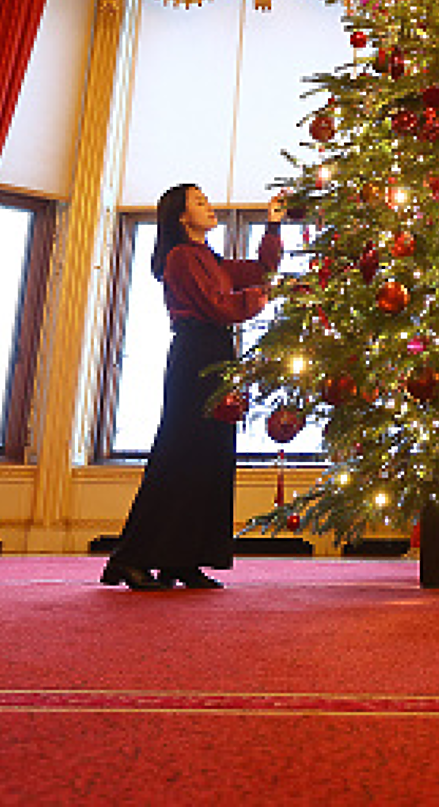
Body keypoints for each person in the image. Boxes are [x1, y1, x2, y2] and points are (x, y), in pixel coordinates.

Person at [101, 184, 284, 591]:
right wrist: (261, 297)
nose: (209, 207)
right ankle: (129, 558)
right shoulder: (181, 257)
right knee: (179, 455)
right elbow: (220, 306)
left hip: (215, 353)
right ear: (183, 217)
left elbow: (258, 272)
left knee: (211, 457)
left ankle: (181, 560)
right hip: (195, 356)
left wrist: (272, 225)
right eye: (199, 202)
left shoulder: (207, 257)